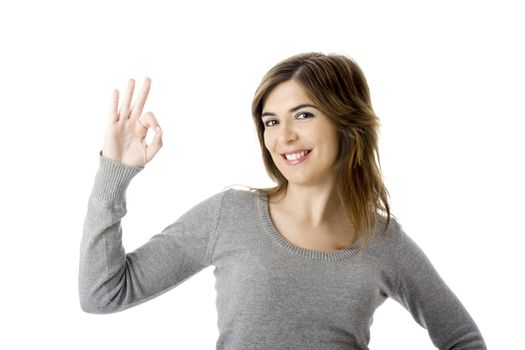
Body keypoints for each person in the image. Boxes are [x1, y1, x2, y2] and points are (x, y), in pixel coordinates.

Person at [79, 52, 487, 349]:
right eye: (271, 121)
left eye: (304, 115)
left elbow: (464, 339)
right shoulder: (230, 215)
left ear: (346, 123)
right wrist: (115, 174)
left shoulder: (382, 240)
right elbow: (104, 294)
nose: (283, 136)